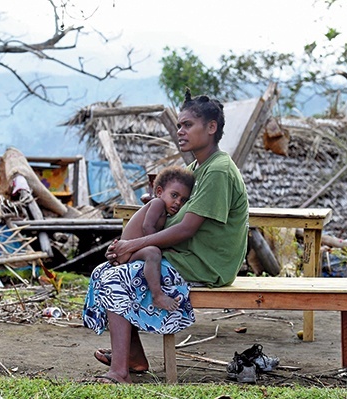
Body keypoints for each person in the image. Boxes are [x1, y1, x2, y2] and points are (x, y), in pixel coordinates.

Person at [83, 88, 249, 384]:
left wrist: (133, 244)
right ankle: (132, 357)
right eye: (179, 125)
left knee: (116, 278)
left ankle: (119, 372)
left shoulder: (219, 171)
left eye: (187, 125)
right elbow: (168, 215)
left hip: (206, 264)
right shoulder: (194, 169)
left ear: (211, 128)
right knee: (106, 270)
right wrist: (131, 245)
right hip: (187, 256)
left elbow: (186, 228)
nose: (180, 130)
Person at [120, 165, 195, 311]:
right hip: (128, 252)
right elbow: (147, 227)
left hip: (134, 251)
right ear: (159, 192)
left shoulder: (165, 211)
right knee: (153, 253)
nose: (178, 202)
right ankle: (157, 295)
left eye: (183, 200)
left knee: (154, 252)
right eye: (174, 195)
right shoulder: (157, 203)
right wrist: (162, 248)